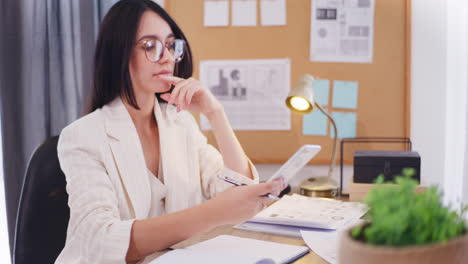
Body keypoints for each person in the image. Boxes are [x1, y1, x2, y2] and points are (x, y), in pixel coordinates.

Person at [55, 0, 286, 263]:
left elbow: (237, 191)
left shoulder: (181, 124)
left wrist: (216, 114)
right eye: (150, 46)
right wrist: (212, 213)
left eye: (169, 45)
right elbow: (100, 241)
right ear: (118, 53)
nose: (166, 57)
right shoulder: (82, 137)